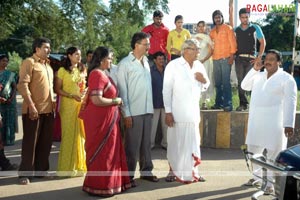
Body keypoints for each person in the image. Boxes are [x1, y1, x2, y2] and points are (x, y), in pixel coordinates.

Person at [242, 49, 297, 195]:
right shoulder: (258, 76)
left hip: (275, 122)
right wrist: (254, 69)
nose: (268, 61)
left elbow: (291, 102)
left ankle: (271, 184)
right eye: (267, 59)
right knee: (254, 152)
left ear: (279, 62)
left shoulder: (286, 78)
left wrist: (288, 124)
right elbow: (244, 86)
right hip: (256, 121)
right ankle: (258, 179)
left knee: (274, 154)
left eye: (272, 59)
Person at [80, 46, 131, 197]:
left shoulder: (102, 73)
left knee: (109, 153)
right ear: (102, 60)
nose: (111, 60)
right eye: (109, 58)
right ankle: (101, 185)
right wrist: (116, 100)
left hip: (107, 120)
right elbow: (96, 99)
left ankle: (110, 184)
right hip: (100, 123)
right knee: (104, 154)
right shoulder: (97, 74)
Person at [163, 39, 210, 183]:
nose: (198, 52)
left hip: (193, 113)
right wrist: (168, 112)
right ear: (186, 50)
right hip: (177, 113)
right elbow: (166, 90)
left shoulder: (199, 65)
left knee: (194, 142)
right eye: (196, 49)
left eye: (198, 49)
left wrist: (203, 81)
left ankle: (194, 171)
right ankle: (172, 171)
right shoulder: (173, 65)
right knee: (175, 142)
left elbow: (206, 84)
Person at [117, 32, 158, 184]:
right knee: (131, 146)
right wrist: (126, 114)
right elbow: (123, 92)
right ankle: (128, 176)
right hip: (133, 112)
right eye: (146, 44)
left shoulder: (147, 62)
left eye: (149, 44)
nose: (149, 46)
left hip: (147, 109)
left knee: (146, 144)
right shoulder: (125, 64)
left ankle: (146, 171)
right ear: (136, 45)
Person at [17, 37, 55, 185]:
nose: (48, 50)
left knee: (45, 143)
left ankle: (41, 171)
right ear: (37, 49)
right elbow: (23, 85)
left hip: (48, 110)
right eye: (45, 47)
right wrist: (31, 106)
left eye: (49, 47)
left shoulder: (48, 66)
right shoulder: (29, 62)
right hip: (33, 110)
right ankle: (25, 174)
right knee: (30, 143)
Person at [55, 47, 87, 177]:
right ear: (69, 55)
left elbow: (84, 86)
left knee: (80, 136)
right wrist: (71, 95)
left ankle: (79, 167)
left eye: (80, 54)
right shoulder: (62, 71)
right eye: (76, 54)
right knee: (68, 136)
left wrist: (84, 93)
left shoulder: (83, 70)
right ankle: (66, 168)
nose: (79, 57)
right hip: (68, 106)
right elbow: (57, 89)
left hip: (80, 105)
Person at [234, 8, 266, 111]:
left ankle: (255, 104)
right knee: (241, 82)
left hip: (252, 60)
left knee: (253, 82)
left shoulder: (255, 27)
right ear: (239, 18)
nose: (245, 19)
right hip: (239, 59)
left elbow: (263, 42)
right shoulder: (236, 30)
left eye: (246, 17)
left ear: (249, 16)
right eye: (243, 17)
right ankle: (243, 104)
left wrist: (259, 57)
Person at [209, 10, 237, 112]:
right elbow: (210, 46)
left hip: (226, 58)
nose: (217, 19)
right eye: (215, 17)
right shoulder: (212, 32)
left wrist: (232, 56)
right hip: (215, 59)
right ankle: (218, 103)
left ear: (222, 18)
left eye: (219, 17)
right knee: (218, 83)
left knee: (226, 82)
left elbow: (233, 43)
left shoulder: (228, 28)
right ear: (213, 19)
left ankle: (228, 104)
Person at [194, 21, 214, 110]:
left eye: (203, 26)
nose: (201, 28)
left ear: (205, 28)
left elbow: (211, 51)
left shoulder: (207, 38)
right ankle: (195, 102)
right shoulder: (193, 38)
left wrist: (203, 60)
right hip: (195, 63)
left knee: (204, 80)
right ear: (197, 28)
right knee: (195, 81)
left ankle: (204, 102)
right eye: (199, 26)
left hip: (205, 62)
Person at [150, 51, 168, 150]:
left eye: (163, 59)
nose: (161, 61)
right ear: (154, 60)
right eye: (159, 59)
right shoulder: (150, 71)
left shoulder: (168, 71)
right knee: (152, 126)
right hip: (154, 102)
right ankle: (150, 145)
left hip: (166, 103)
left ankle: (165, 144)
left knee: (166, 126)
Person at [0, 54, 17, 145]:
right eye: (3, 61)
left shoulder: (10, 74)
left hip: (9, 102)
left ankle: (9, 140)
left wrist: (11, 98)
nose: (5, 63)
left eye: (6, 61)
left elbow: (14, 87)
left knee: (9, 120)